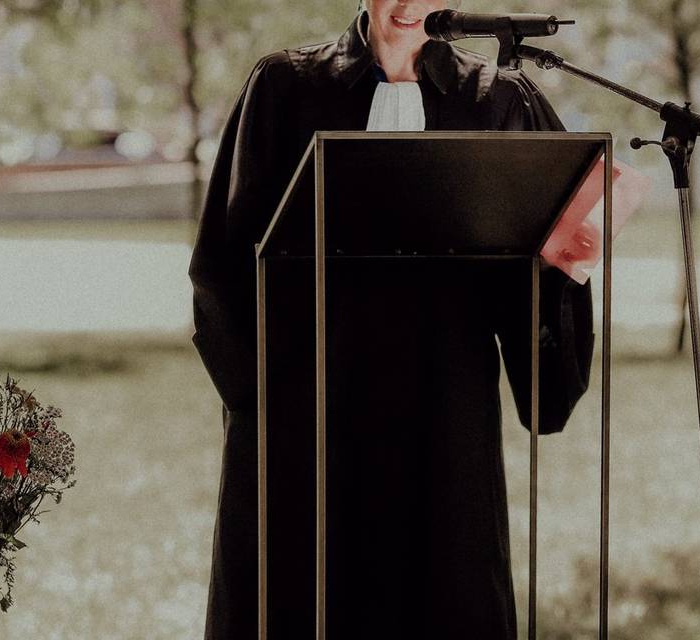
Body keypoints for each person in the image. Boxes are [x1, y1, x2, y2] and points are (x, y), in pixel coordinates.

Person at [189, 1, 595, 638]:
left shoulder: (500, 101)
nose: (407, 4)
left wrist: (564, 261)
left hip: (446, 411)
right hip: (313, 413)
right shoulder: (285, 87)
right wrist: (262, 402)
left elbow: (536, 271)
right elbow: (223, 260)